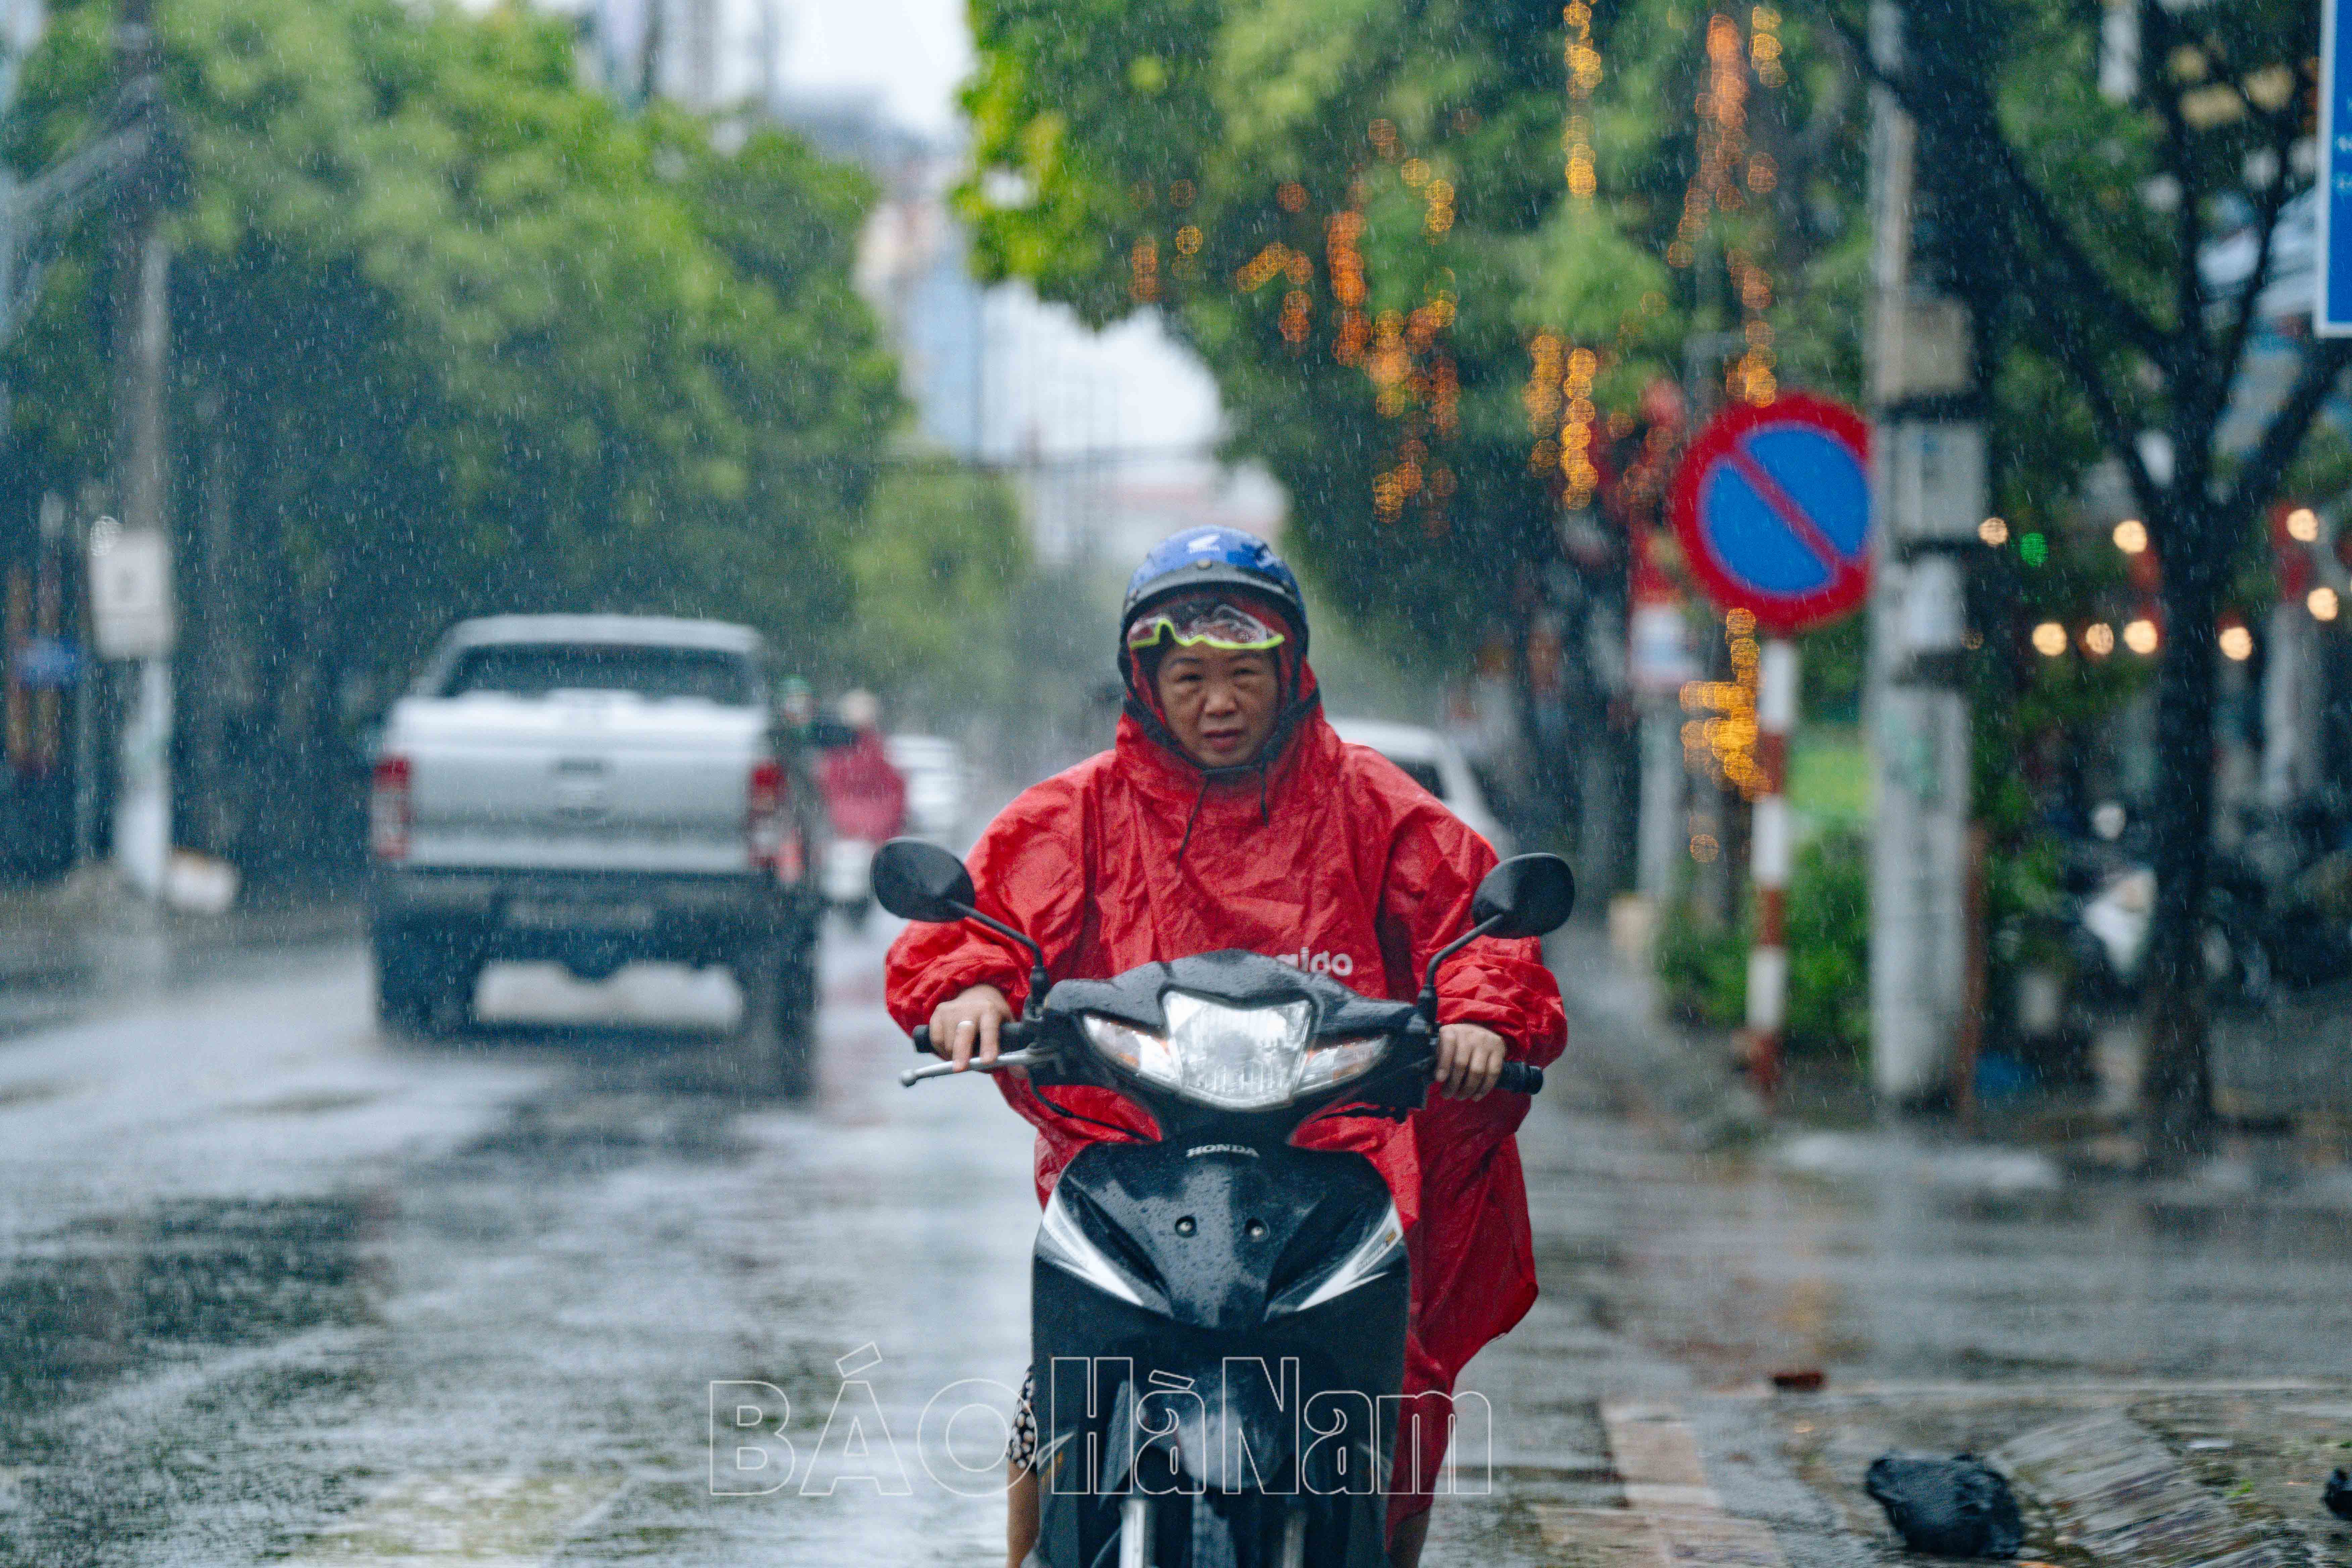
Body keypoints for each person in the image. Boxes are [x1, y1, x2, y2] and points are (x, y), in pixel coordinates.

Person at [883, 527, 1566, 1568]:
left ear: (1288, 673)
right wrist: (967, 986)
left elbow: (1475, 929)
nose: (1216, 701)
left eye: (1242, 674)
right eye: (1188, 676)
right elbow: (977, 924)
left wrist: (1477, 1015)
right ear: (1144, 682)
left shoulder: (1371, 803)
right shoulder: (1080, 812)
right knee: (1054, 1388)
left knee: (1403, 1407)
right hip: (1128, 1160)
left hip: (1336, 1159)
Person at [818, 687, 908, 847]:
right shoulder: (837, 755)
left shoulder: (876, 751)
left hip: (869, 838)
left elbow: (895, 792)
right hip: (849, 839)